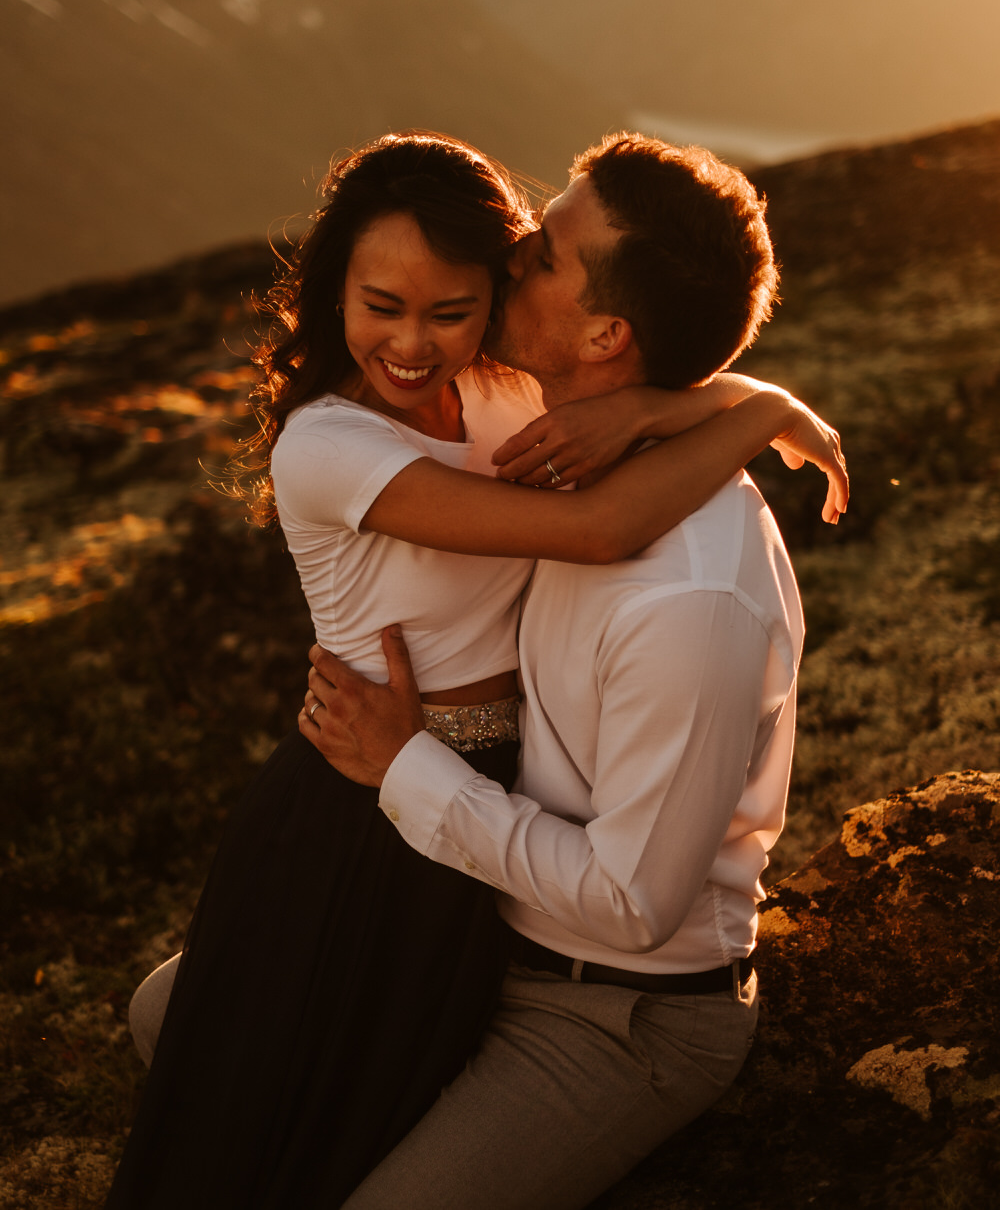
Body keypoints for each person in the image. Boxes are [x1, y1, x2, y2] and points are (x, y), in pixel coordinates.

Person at [108, 132, 845, 1209]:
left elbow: (631, 906)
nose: (510, 260)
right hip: (484, 920)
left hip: (615, 1007)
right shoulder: (547, 427)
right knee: (172, 1023)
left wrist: (409, 767)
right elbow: (614, 462)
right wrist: (710, 405)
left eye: (542, 253)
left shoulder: (686, 600)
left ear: (603, 332)